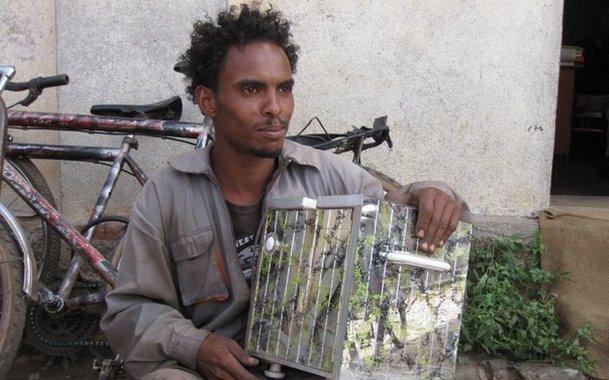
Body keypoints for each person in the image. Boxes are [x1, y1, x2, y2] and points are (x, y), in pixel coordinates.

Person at [101, 5, 470, 380]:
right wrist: (195, 346)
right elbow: (130, 309)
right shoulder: (166, 194)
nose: (275, 108)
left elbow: (402, 204)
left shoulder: (328, 177)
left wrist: (432, 193)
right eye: (251, 89)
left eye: (284, 89)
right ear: (209, 101)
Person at [574, 5, 609, 182]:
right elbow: (576, 74)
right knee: (569, 103)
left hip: (608, 97)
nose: (608, 22)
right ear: (596, 20)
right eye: (605, 17)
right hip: (585, 97)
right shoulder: (583, 45)